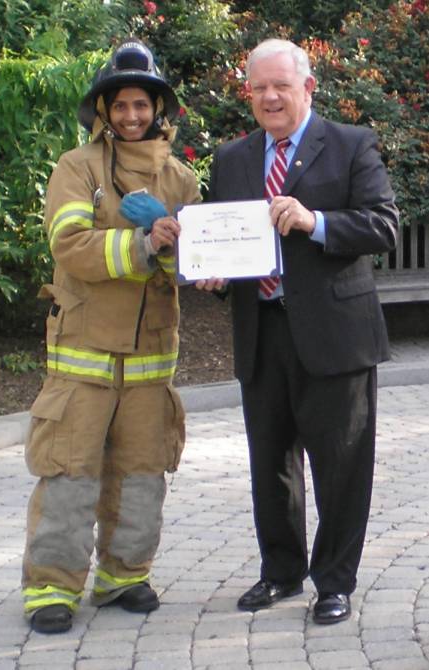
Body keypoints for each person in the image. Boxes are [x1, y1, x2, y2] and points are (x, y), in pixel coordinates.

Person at [198, 38, 398, 624]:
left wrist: (315, 223)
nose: (269, 97)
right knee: (271, 464)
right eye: (258, 88)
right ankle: (281, 573)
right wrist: (212, 273)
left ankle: (334, 581)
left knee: (341, 465)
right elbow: (224, 238)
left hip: (336, 335)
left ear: (308, 87)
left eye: (280, 85)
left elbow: (383, 224)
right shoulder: (231, 158)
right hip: (261, 331)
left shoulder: (350, 144)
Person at [22, 38, 201, 634]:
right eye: (120, 105)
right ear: (103, 111)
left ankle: (125, 576)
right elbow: (70, 247)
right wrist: (145, 244)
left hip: (152, 355)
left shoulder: (180, 179)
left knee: (144, 469)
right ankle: (51, 586)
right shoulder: (76, 170)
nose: (131, 116)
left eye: (141, 105)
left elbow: (187, 266)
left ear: (158, 109)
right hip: (83, 354)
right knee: (71, 470)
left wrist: (197, 261)